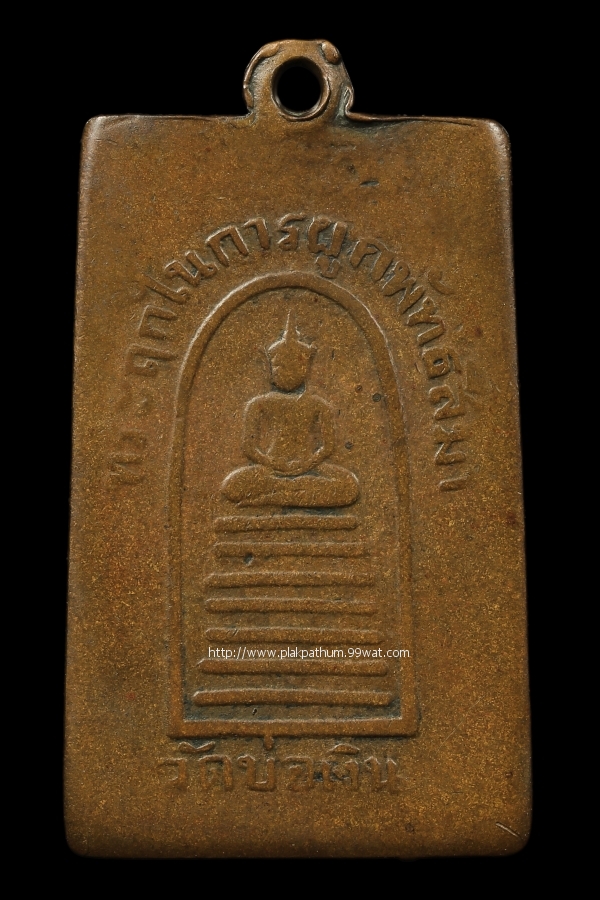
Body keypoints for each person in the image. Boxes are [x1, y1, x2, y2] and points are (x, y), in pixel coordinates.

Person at [221, 312, 359, 508]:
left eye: (290, 367)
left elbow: (327, 447)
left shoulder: (318, 405)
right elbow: (249, 448)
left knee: (350, 486)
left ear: (304, 369)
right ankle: (297, 494)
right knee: (232, 485)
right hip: (271, 468)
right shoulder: (259, 404)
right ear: (271, 370)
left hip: (309, 467)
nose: (283, 372)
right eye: (278, 367)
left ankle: (275, 496)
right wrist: (272, 463)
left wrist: (307, 464)